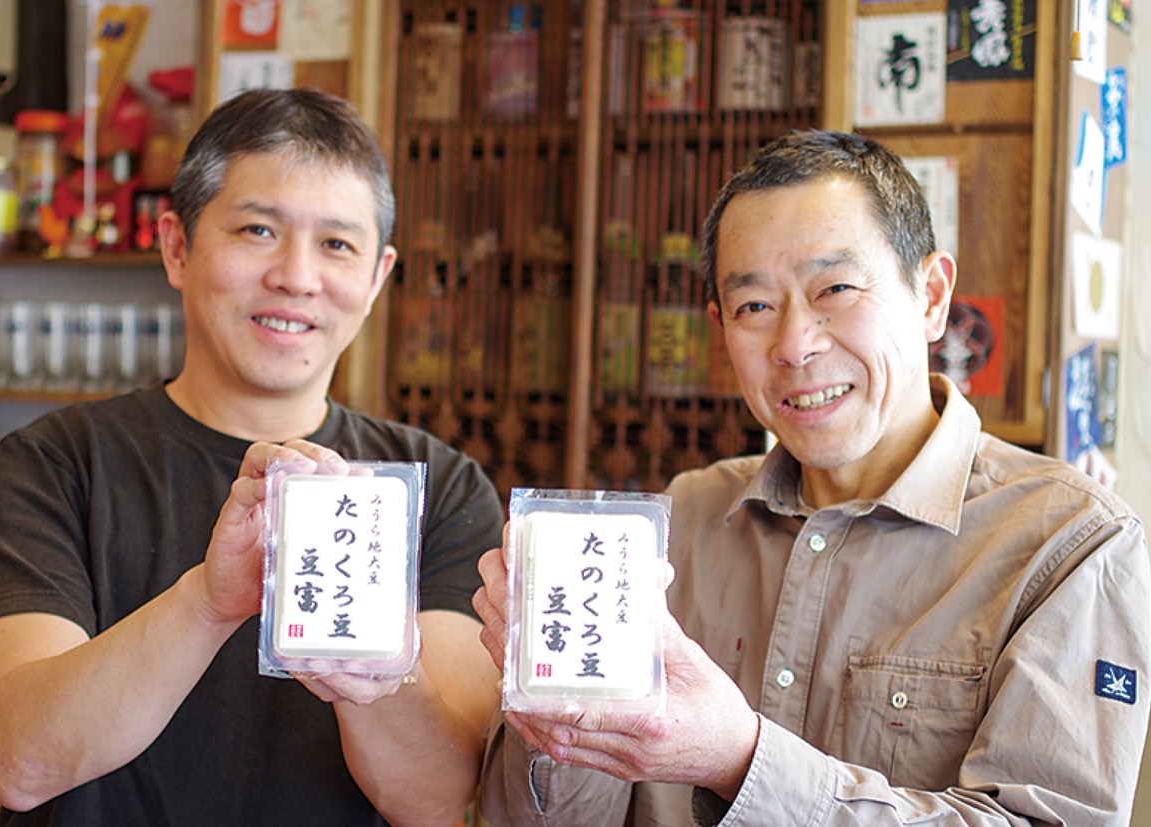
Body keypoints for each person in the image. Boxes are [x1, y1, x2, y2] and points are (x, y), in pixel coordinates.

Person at [473, 130, 1150, 825]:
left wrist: (740, 760)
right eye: (754, 307)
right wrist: (554, 704)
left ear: (931, 297)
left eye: (836, 289)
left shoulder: (1074, 546)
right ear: (721, 327)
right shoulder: (682, 519)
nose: (795, 345)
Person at [0, 87, 504, 826]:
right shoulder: (51, 465)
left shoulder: (443, 491)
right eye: (257, 230)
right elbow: (20, 764)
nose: (297, 276)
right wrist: (209, 601)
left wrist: (372, 664)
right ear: (176, 247)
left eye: (337, 244)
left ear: (377, 278)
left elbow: (436, 797)